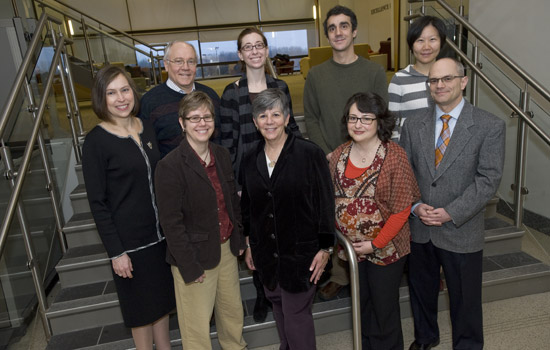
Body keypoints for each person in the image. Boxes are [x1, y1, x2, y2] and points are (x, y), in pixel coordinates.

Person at [400, 58, 505, 350]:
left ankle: (468, 345)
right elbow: (405, 172)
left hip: (462, 227)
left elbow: (488, 180)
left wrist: (451, 212)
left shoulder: (489, 126)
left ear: (463, 81)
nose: (439, 85)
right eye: (433, 80)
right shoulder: (414, 123)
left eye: (447, 79)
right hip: (421, 226)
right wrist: (415, 205)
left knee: (465, 298)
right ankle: (425, 337)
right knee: (421, 290)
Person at [82, 65, 175, 350]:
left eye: (124, 90)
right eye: (111, 93)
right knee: (141, 315)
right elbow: (98, 203)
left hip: (159, 238)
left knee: (161, 308)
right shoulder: (96, 142)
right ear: (101, 98)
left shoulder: (145, 125)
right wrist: (116, 252)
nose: (120, 98)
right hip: (130, 246)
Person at [304, 4, 390, 301]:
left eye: (343, 26)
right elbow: (311, 118)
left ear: (354, 31)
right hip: (331, 161)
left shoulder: (374, 71)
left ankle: (374, 268)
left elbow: (382, 115)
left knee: (369, 217)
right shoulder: (315, 75)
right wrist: (327, 153)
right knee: (337, 217)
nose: (338, 32)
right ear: (326, 34)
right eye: (331, 28)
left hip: (369, 162)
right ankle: (341, 275)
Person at [241, 88, 335, 350]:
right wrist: (249, 243)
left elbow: (325, 204)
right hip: (267, 256)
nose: (269, 120)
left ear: (287, 117)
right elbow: (248, 206)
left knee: (296, 317)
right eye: (262, 115)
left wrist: (326, 247)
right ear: (254, 122)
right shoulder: (249, 159)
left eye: (275, 114)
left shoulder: (309, 154)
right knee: (280, 310)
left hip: (302, 256)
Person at [219, 27, 301, 322]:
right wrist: (235, 185)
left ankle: (284, 289)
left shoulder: (280, 87)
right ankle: (263, 293)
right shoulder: (232, 93)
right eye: (247, 47)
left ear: (266, 50)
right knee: (257, 236)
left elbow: (291, 129)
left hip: (279, 172)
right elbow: (226, 143)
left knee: (280, 230)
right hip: (248, 178)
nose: (254, 51)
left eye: (259, 45)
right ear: (240, 54)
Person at [154, 91, 247, 350]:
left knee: (232, 319)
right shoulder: (169, 166)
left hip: (226, 252)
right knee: (197, 333)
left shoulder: (222, 155)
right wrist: (189, 267)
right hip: (194, 258)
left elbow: (232, 202)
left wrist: (239, 237)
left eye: (207, 117)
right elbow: (171, 224)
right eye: (194, 118)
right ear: (182, 123)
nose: (202, 123)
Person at [330, 92, 420, 349]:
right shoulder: (339, 155)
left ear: (379, 121)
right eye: (352, 118)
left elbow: (402, 210)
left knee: (384, 312)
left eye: (366, 119)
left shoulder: (394, 156)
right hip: (351, 251)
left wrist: (376, 243)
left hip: (386, 250)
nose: (358, 125)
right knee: (362, 307)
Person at [139, 40, 221, 157]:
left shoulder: (211, 96)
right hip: (171, 173)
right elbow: (147, 151)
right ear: (166, 65)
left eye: (191, 61)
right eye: (179, 61)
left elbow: (221, 138)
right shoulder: (149, 102)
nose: (185, 67)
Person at [388, 16, 447, 139]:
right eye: (420, 40)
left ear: (441, 42)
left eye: (432, 39)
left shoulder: (450, 77)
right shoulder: (399, 80)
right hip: (409, 153)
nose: (426, 47)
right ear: (411, 45)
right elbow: (391, 124)